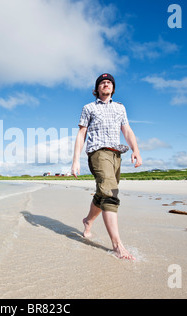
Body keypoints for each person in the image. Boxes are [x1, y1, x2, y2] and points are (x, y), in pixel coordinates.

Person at [71, 73, 142, 260]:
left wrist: (136, 149)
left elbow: (126, 129)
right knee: (110, 193)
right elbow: (81, 134)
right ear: (97, 88)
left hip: (116, 154)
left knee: (103, 193)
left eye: (109, 82)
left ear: (113, 88)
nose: (106, 84)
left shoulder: (120, 108)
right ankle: (117, 246)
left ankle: (88, 221)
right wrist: (75, 160)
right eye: (102, 82)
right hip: (97, 152)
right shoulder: (88, 108)